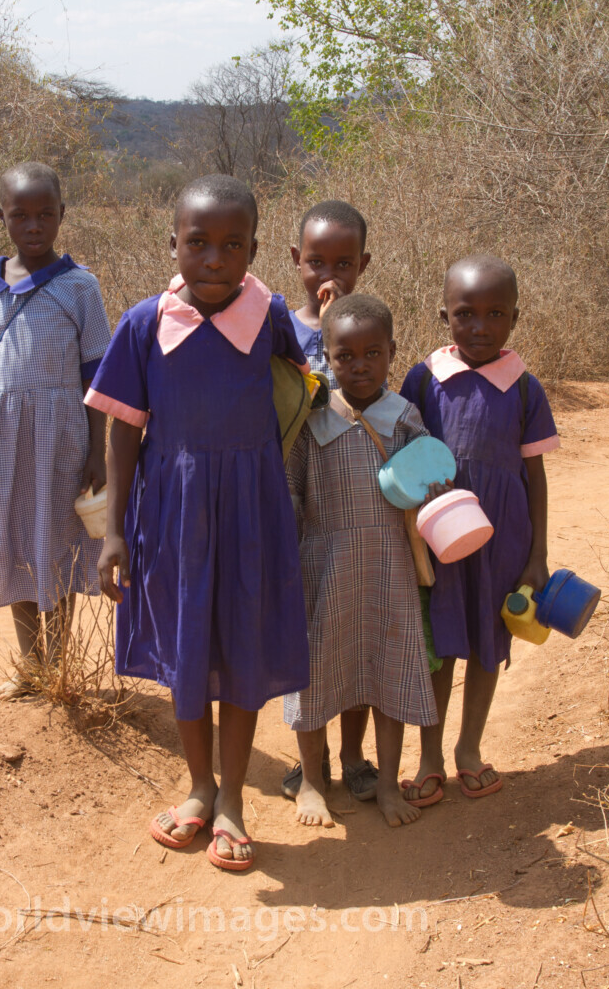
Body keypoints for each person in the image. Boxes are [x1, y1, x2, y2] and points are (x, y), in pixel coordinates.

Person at [86, 174, 310, 872]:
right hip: (174, 513)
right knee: (188, 651)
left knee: (241, 648)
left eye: (231, 245)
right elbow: (122, 431)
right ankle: (199, 787)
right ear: (172, 244)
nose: (214, 259)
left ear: (254, 247)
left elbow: (303, 386)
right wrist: (115, 530)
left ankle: (236, 800)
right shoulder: (143, 324)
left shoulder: (270, 317)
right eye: (198, 243)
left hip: (252, 511)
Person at [398, 256, 559, 801]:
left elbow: (534, 475)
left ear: (516, 316)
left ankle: (469, 748)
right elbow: (402, 460)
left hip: (503, 539)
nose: (480, 327)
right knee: (439, 645)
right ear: (444, 314)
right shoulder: (423, 379)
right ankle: (429, 756)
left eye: (496, 314)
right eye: (466, 314)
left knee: (490, 641)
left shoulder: (523, 388)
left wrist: (536, 554)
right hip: (440, 539)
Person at [0, 162, 110, 702]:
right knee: (15, 542)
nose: (34, 226)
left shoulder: (80, 287)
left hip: (61, 434)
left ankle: (63, 669)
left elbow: (96, 375)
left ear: (62, 216)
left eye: (46, 214)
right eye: (21, 215)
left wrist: (98, 450)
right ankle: (31, 667)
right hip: (1, 432)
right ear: (2, 217)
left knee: (57, 545)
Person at [282, 293, 442, 829]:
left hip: (390, 566)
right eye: (344, 355)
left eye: (373, 353)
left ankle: (389, 784)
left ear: (392, 352)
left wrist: (437, 488)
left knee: (388, 668)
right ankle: (310, 780)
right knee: (315, 673)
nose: (359, 365)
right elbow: (291, 485)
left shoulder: (404, 417)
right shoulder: (314, 415)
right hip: (321, 565)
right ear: (326, 355)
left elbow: (431, 478)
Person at [280, 199, 380, 804]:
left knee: (358, 634)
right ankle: (307, 765)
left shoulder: (367, 328)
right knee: (309, 643)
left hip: (356, 516)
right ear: (296, 260)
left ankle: (354, 756)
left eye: (344, 263)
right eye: (316, 262)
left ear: (364, 264)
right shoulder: (279, 331)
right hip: (299, 511)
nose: (329, 275)